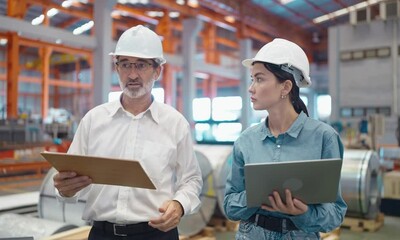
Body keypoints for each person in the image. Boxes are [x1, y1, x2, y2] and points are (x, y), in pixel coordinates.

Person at [53, 25, 203, 240]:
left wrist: (179, 205)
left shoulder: (174, 123)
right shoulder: (94, 120)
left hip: (157, 234)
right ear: (117, 69)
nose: (132, 74)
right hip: (103, 234)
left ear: (157, 70)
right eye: (125, 65)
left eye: (141, 65)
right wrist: (65, 189)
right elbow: (70, 177)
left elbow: (192, 179)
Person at [223, 38, 347, 239]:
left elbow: (335, 214)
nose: (251, 88)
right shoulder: (246, 141)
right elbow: (230, 207)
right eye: (252, 79)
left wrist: (303, 213)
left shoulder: (324, 138)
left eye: (260, 79)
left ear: (286, 87)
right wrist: (257, 194)